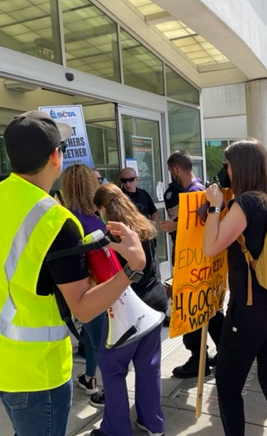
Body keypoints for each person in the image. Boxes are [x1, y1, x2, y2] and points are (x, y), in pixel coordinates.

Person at [0, 110, 146, 436]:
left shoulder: (1, 193)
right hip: (35, 371)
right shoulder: (57, 222)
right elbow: (82, 306)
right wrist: (133, 266)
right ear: (56, 156)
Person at [202, 139, 267, 435]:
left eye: (227, 165)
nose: (225, 171)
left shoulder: (247, 202)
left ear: (239, 167)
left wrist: (215, 208)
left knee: (228, 386)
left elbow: (211, 247)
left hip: (250, 308)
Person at [91, 183, 168, 436]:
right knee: (148, 367)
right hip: (155, 304)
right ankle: (153, 422)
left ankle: (116, 429)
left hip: (129, 311)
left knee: (112, 368)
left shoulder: (112, 235)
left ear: (103, 209)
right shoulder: (143, 224)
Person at [160, 149, 223, 378]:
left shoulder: (194, 193)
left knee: (192, 308)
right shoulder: (201, 190)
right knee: (210, 308)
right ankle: (220, 353)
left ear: (175, 170)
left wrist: (176, 227)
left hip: (193, 263)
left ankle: (199, 359)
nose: (170, 175)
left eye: (170, 170)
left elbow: (200, 227)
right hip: (202, 261)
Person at [61, 163, 107, 408]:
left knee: (93, 339)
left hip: (79, 290)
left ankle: (99, 384)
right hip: (103, 288)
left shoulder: (66, 220)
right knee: (96, 339)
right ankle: (96, 382)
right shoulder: (98, 219)